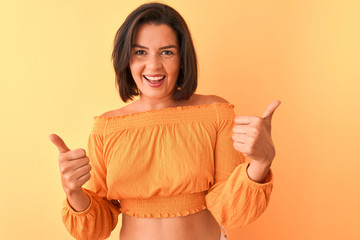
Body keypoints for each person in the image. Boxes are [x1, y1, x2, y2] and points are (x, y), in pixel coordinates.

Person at [49, 2, 280, 240]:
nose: (153, 65)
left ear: (182, 58)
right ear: (126, 59)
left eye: (167, 52)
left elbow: (231, 212)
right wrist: (73, 191)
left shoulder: (215, 113)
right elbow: (95, 229)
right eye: (140, 52)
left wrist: (261, 163)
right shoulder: (107, 128)